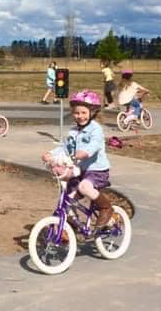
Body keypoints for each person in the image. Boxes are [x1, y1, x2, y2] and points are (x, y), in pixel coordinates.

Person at [42, 89, 114, 227]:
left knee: (84, 186)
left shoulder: (95, 129)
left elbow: (94, 145)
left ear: (92, 112)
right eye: (76, 113)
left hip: (97, 171)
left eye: (83, 113)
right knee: (67, 197)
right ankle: (71, 224)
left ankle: (106, 208)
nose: (80, 116)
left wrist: (84, 153)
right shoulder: (74, 131)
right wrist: (51, 154)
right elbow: (65, 147)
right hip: (80, 170)